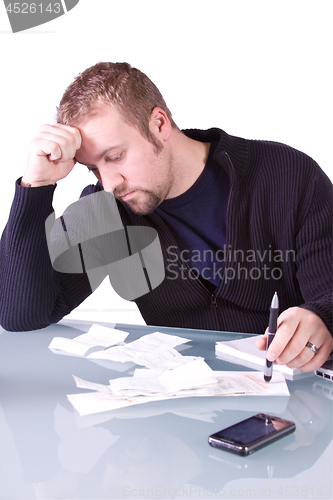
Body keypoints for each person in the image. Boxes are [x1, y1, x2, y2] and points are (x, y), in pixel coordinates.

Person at [0, 62, 332, 372]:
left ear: (159, 125)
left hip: (295, 406)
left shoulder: (287, 175)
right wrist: (35, 187)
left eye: (115, 156)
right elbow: (20, 313)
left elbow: (329, 297)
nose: (109, 182)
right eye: (93, 169)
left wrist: (322, 318)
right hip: (184, 409)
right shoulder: (108, 211)